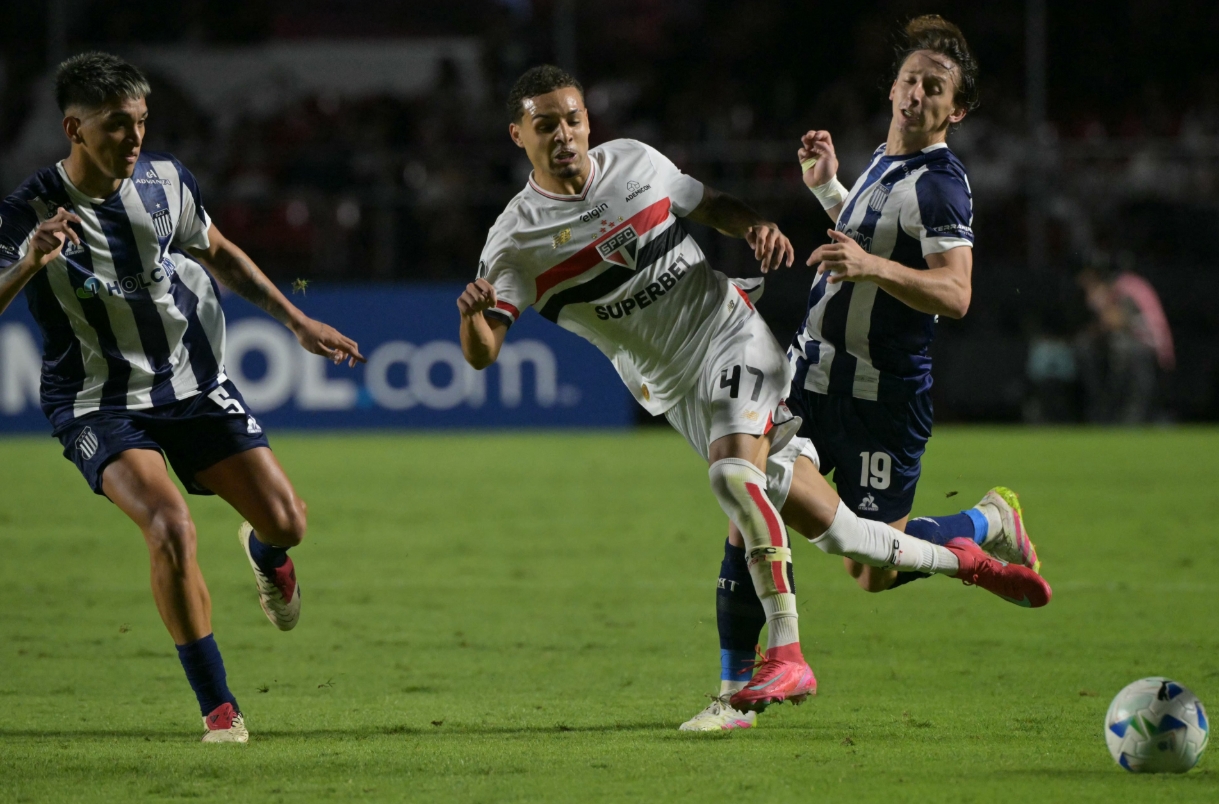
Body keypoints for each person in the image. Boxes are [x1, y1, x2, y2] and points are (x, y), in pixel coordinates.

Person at [459, 64, 1048, 717]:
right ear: (519, 135)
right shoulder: (516, 240)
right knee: (849, 542)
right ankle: (973, 547)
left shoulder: (632, 162)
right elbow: (484, 351)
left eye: (572, 119)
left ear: (587, 120)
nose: (564, 135)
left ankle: (770, 669)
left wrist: (752, 226)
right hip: (674, 388)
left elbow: (706, 201)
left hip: (732, 336)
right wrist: (471, 316)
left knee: (735, 480)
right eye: (547, 126)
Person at [681, 15, 1049, 732]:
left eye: (934, 87)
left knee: (870, 569)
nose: (916, 93)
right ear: (890, 87)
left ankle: (986, 521)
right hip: (809, 378)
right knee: (746, 500)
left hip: (883, 399)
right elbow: (870, 235)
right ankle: (734, 693)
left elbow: (956, 292)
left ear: (957, 109)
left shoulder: (942, 184)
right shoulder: (883, 160)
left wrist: (871, 266)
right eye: (910, 80)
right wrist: (827, 191)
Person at [0, 53, 365, 743]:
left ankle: (266, 554)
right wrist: (26, 263)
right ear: (74, 129)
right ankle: (218, 708)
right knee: (169, 527)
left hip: (190, 384)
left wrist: (298, 321)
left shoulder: (166, 182)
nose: (134, 139)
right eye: (116, 126)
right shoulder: (25, 212)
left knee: (287, 521)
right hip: (96, 401)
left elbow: (217, 250)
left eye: (141, 122)